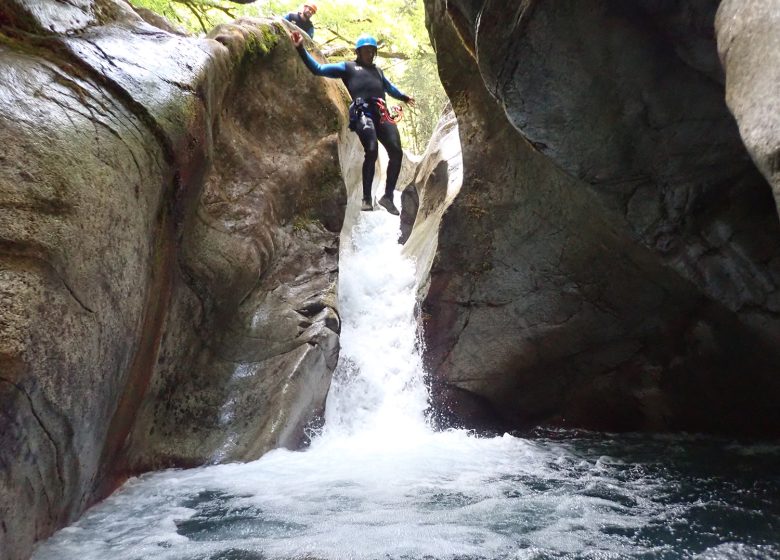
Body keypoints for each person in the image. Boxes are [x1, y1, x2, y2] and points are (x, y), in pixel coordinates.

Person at [291, 31, 416, 214]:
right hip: (362, 112)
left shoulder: (378, 72)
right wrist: (301, 48)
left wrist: (403, 97)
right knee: (371, 149)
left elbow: (390, 88)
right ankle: (366, 198)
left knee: (396, 152)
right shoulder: (347, 67)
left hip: (381, 112)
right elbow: (317, 69)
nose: (370, 53)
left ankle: (387, 197)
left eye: (373, 50)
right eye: (366, 50)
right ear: (358, 52)